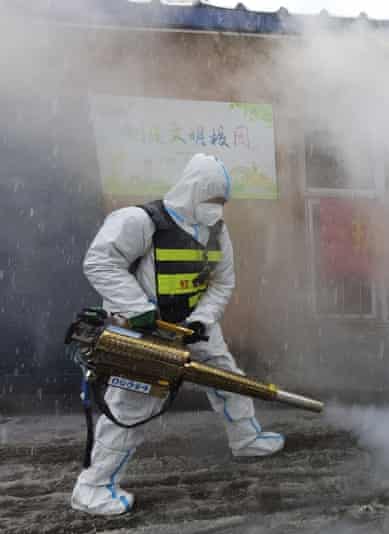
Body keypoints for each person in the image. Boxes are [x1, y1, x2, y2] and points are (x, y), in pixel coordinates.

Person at [70, 153, 284, 515]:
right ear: (192, 190)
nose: (217, 208)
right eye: (211, 199)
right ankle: (92, 488)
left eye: (222, 201)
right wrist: (139, 310)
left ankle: (246, 438)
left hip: (193, 327)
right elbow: (100, 262)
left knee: (228, 378)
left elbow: (222, 281)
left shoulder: (217, 231)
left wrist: (203, 319)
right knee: (132, 408)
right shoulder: (141, 221)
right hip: (145, 333)